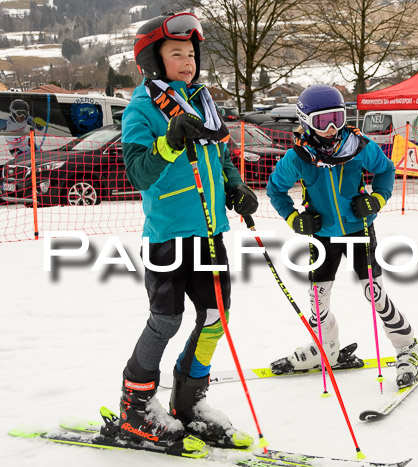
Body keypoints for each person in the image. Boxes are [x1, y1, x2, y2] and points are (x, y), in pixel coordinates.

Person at [117, 12, 258, 449]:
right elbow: (139, 173)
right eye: (176, 53)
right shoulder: (143, 108)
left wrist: (235, 188)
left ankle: (188, 401)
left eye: (191, 54)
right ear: (152, 61)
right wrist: (170, 141)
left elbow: (221, 156)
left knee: (216, 318)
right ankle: (136, 406)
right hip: (169, 236)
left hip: (210, 233)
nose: (187, 61)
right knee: (166, 319)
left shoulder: (202, 100)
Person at [266, 84, 418, 389]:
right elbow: (275, 190)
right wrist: (294, 219)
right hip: (323, 236)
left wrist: (376, 200)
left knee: (375, 294)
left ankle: (409, 349)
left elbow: (385, 172)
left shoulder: (359, 147)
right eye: (321, 121)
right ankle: (326, 349)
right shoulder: (298, 157)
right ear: (304, 121)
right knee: (318, 300)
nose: (330, 129)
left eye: (337, 118)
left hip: (360, 228)